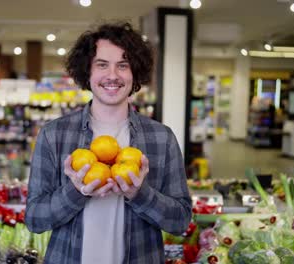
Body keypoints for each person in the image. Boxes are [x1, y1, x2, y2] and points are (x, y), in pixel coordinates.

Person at [25, 22, 192, 264]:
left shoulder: (161, 138)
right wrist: (76, 191)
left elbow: (181, 221)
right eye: (102, 65)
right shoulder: (54, 135)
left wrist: (140, 194)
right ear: (87, 71)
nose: (112, 75)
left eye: (122, 65)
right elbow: (34, 219)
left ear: (135, 72)